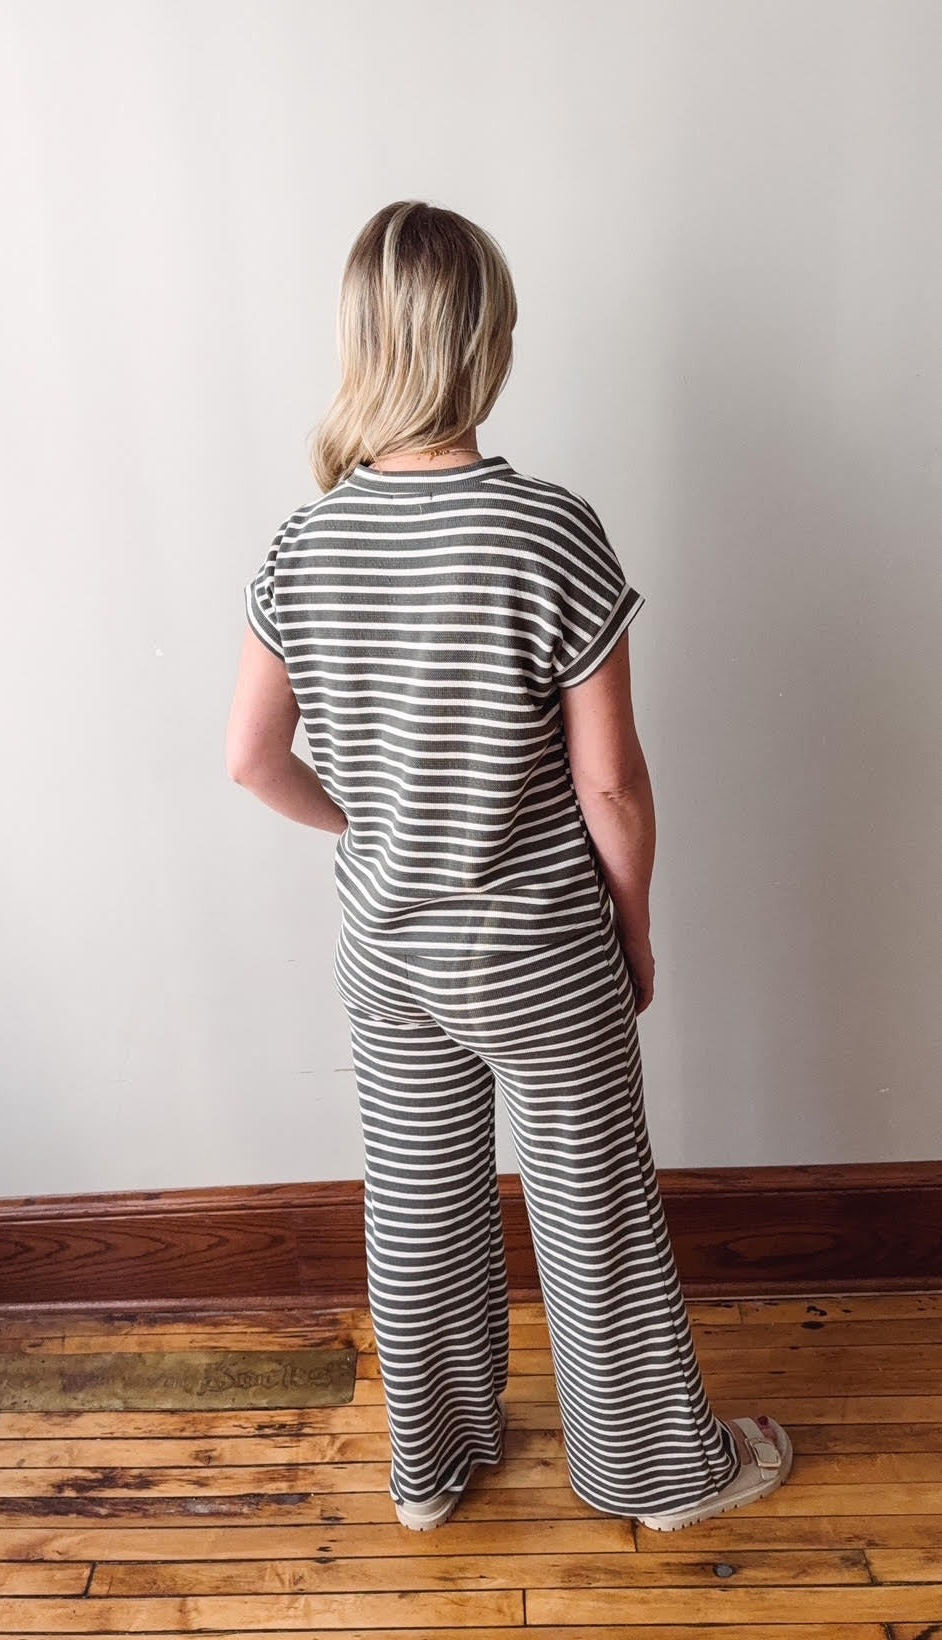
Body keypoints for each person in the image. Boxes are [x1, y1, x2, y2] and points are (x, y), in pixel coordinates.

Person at [226, 199, 793, 1534]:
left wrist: (372, 831)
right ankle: (657, 1477)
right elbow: (610, 784)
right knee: (593, 1212)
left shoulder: (306, 542)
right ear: (488, 341)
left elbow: (250, 760)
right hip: (539, 950)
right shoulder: (546, 530)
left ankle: (431, 1470)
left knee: (420, 1212)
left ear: (364, 341)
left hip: (389, 954)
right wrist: (633, 928)